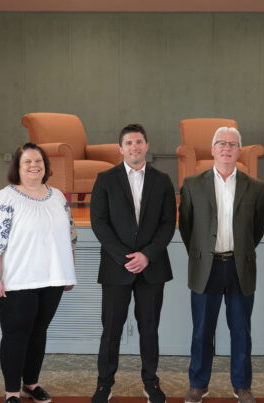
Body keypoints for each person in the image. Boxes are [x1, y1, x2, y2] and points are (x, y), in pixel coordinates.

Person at [0, 142, 77, 403]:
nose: (34, 165)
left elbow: (70, 236)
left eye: (38, 161)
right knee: (16, 336)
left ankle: (31, 384)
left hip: (53, 279)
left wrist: (68, 272)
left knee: (39, 332)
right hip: (16, 281)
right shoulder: (5, 198)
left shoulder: (57, 196)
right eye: (28, 162)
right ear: (17, 167)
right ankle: (12, 391)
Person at [179, 127, 264, 403]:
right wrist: (203, 254)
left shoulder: (255, 187)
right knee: (202, 331)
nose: (227, 148)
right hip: (206, 267)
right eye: (221, 143)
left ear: (239, 150)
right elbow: (186, 227)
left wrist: (240, 252)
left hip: (239, 267)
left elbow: (257, 229)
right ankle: (198, 384)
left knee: (241, 330)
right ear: (212, 149)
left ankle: (242, 385)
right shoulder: (192, 184)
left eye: (232, 144)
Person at [90, 124, 176, 403]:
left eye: (139, 142)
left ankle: (151, 382)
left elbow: (168, 223)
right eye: (128, 143)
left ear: (147, 145)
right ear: (120, 149)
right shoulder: (105, 179)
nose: (134, 147)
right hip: (116, 268)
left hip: (152, 267)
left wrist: (147, 255)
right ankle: (104, 384)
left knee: (149, 329)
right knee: (111, 330)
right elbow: (99, 222)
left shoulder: (162, 180)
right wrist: (124, 257)